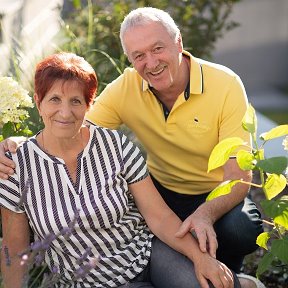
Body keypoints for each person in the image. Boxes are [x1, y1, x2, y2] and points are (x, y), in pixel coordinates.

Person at [0, 7, 264, 288]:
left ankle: (229, 272)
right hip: (159, 192)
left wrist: (204, 220)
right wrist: (19, 143)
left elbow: (238, 176)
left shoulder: (225, 85)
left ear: (179, 43)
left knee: (238, 228)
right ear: (38, 102)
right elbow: (69, 123)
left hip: (208, 194)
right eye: (139, 55)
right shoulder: (126, 88)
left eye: (158, 48)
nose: (151, 63)